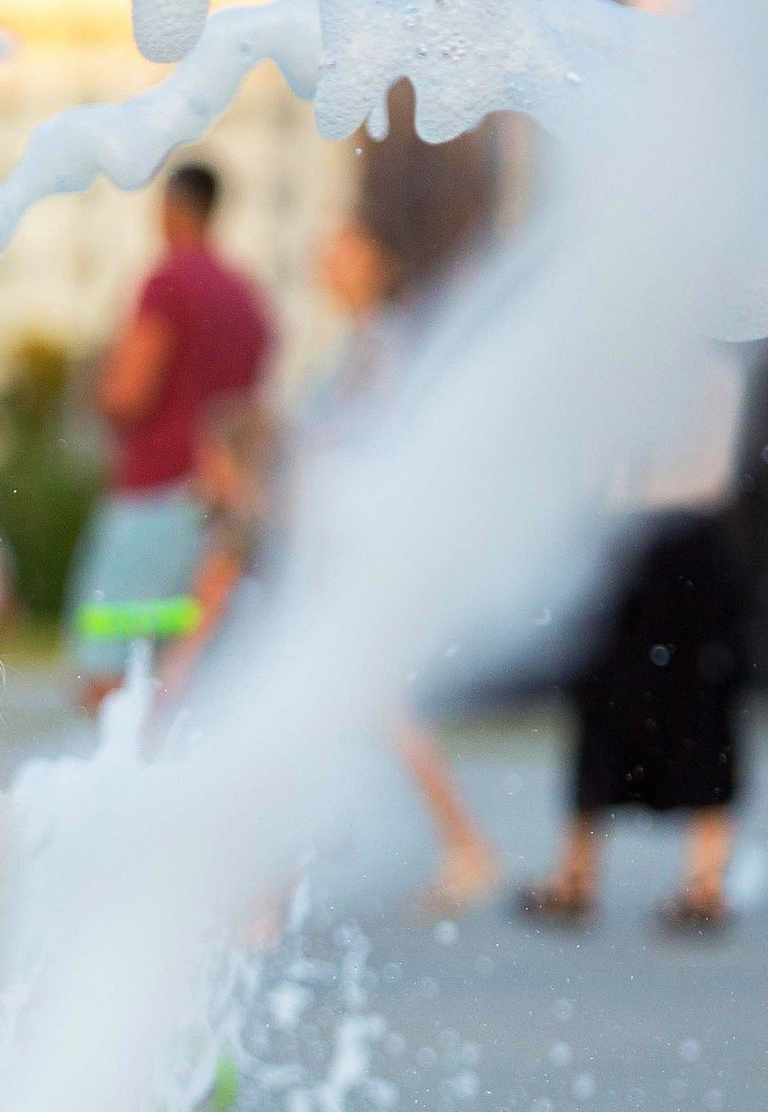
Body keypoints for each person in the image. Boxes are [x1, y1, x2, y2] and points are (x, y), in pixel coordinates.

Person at [302, 91, 506, 918]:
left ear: (374, 263)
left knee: (364, 705)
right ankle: (453, 846)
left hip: (360, 553)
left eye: (342, 246)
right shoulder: (364, 344)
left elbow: (379, 452)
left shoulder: (385, 347)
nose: (325, 255)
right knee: (352, 707)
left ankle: (465, 845)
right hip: (342, 549)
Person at [518, 353, 751, 933]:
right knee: (604, 704)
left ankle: (701, 880)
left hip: (680, 537)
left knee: (700, 705)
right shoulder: (636, 359)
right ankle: (582, 872)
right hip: (632, 538)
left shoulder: (706, 363)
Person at [69, 161, 274, 711]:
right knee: (183, 659)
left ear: (169, 210)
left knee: (108, 665)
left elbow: (128, 394)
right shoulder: (247, 296)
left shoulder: (167, 282)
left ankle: (122, 766)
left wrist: (99, 385)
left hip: (154, 495)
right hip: (221, 508)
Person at [160, 389, 274, 703]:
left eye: (208, 457)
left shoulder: (238, 527)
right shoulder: (276, 518)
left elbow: (204, 612)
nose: (200, 468)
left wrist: (168, 681)